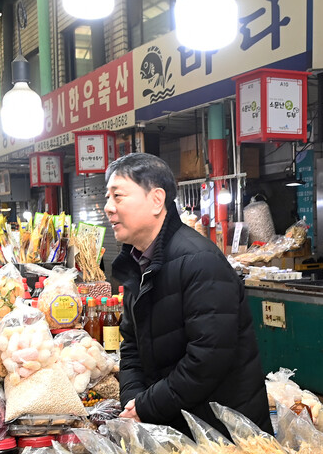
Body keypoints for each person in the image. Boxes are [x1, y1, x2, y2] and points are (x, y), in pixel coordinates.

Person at [107, 153, 271, 435]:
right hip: (175, 426)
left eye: (118, 196)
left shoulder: (200, 261)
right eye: (107, 197)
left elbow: (207, 360)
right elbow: (131, 344)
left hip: (222, 436)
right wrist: (134, 401)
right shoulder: (137, 263)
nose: (109, 208)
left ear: (157, 200)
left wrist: (147, 405)